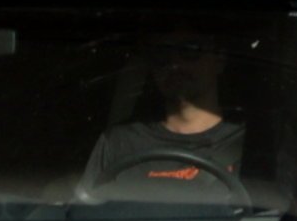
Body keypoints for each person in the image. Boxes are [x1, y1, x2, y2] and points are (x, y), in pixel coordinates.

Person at [77, 28, 258, 201]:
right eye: (161, 55)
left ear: (219, 58)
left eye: (190, 50)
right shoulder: (119, 142)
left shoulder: (253, 143)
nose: (174, 64)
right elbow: (88, 216)